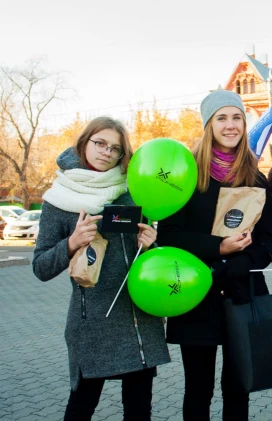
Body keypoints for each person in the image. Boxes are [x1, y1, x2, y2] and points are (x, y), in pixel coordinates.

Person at [32, 117, 171, 421]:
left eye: (116, 149)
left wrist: (150, 245)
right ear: (84, 143)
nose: (107, 152)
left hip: (137, 319)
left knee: (139, 412)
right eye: (100, 143)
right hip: (92, 322)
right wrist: (70, 243)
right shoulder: (59, 199)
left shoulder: (134, 190)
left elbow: (149, 259)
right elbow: (40, 267)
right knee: (81, 408)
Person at [157, 90, 272, 421]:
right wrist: (218, 248)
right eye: (222, 118)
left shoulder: (255, 178)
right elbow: (168, 236)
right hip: (196, 293)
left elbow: (267, 239)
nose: (231, 125)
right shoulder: (186, 178)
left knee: (238, 387)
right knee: (198, 389)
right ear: (209, 125)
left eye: (237, 117)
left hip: (242, 293)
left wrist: (243, 261)